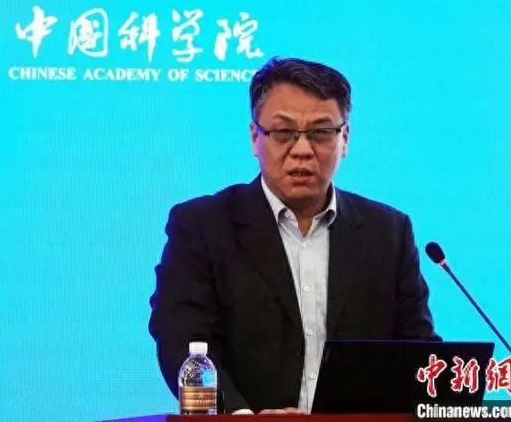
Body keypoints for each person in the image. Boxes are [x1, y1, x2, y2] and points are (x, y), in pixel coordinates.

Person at [149, 57, 439, 414]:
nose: (302, 150)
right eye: (284, 133)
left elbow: (418, 351)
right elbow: (181, 341)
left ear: (344, 139)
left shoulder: (388, 233)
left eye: (320, 133)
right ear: (255, 137)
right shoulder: (202, 226)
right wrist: (243, 418)